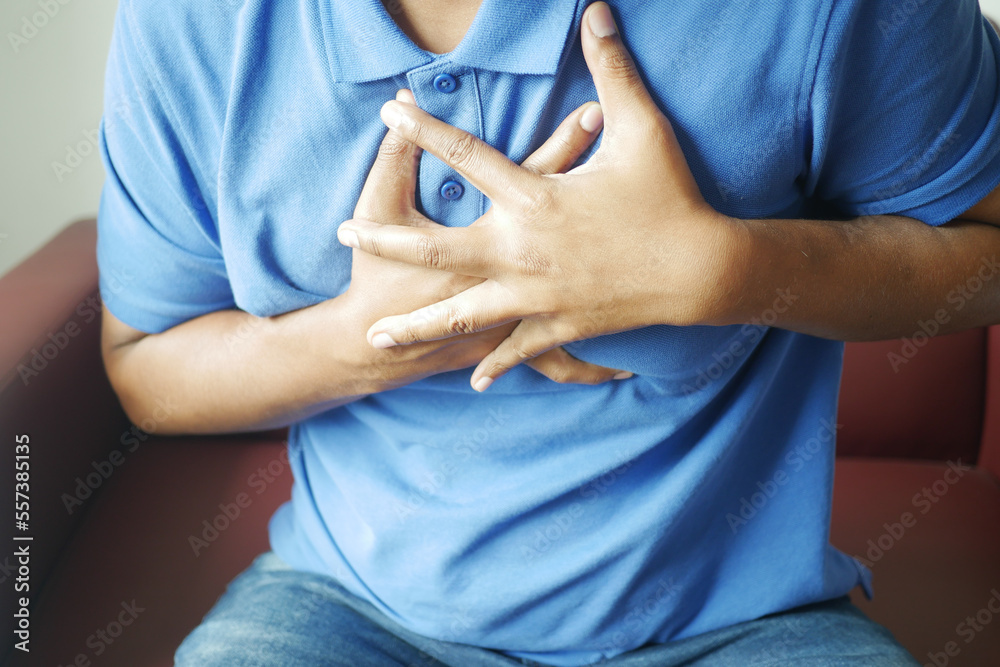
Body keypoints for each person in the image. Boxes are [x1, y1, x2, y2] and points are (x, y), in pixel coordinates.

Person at [95, 0, 1000, 664]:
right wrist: (372, 334)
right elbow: (144, 366)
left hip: (743, 627)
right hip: (347, 612)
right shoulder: (188, 24)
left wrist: (728, 271)